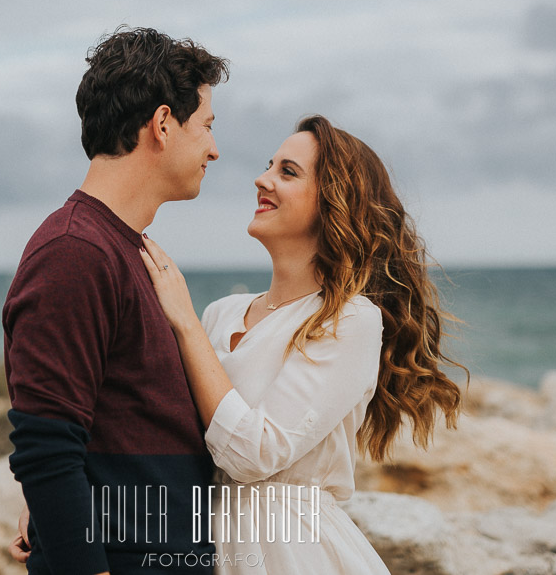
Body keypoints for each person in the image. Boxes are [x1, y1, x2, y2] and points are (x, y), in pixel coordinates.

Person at [137, 115, 465, 573]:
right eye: (269, 165)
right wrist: (67, 503)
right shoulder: (219, 314)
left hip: (296, 553)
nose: (262, 179)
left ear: (333, 204)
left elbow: (255, 453)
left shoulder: (350, 320)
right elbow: (157, 432)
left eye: (287, 172)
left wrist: (185, 325)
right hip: (206, 549)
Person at [1, 26, 229, 575]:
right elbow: (48, 450)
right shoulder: (74, 252)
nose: (214, 150)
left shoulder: (124, 249)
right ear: (163, 124)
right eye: (207, 126)